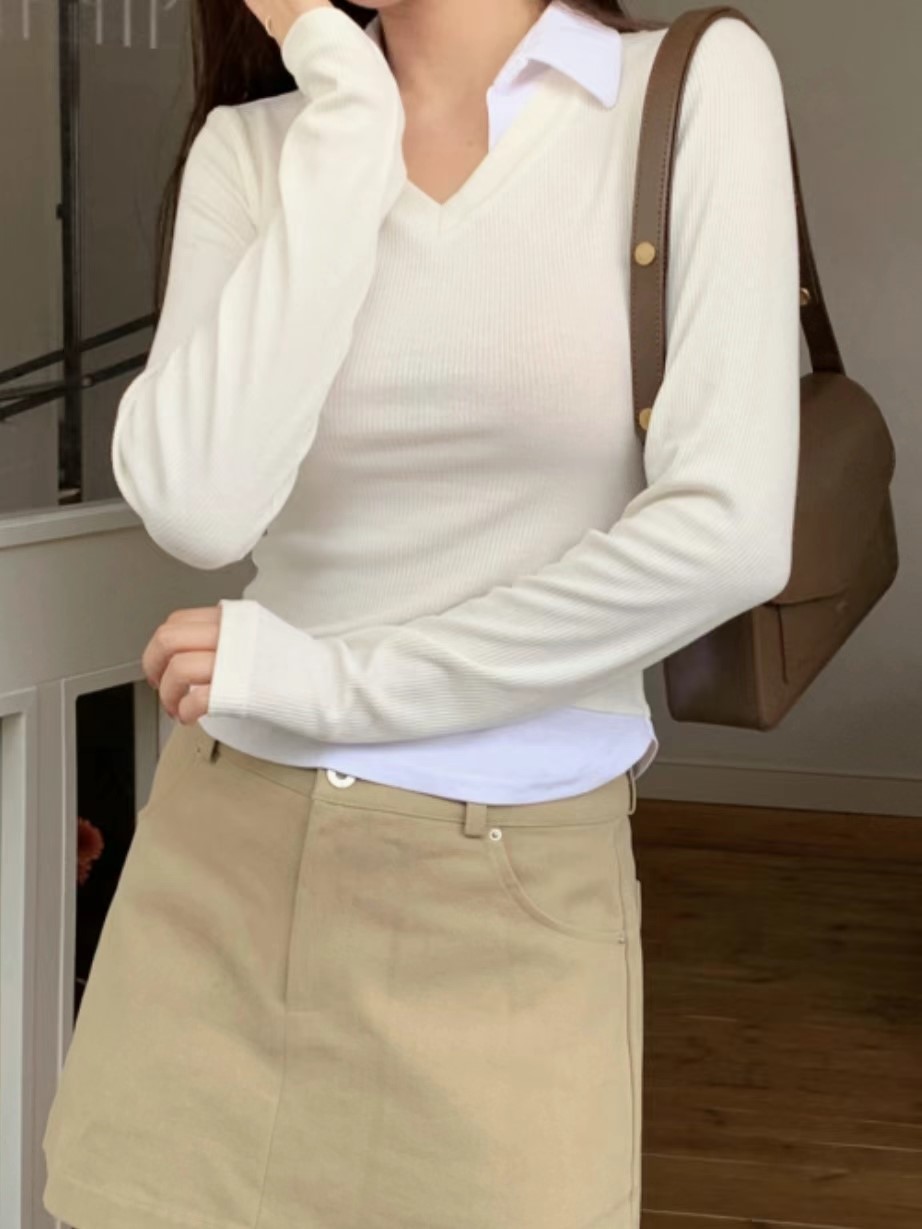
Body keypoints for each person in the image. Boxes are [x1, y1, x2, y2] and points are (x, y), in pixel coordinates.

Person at [41, 0, 800, 1225]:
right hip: (224, 866)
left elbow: (727, 533)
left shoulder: (686, 87)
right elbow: (198, 506)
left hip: (509, 886)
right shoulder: (262, 149)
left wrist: (332, 684)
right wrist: (347, 103)